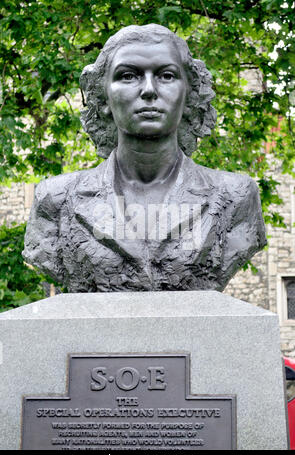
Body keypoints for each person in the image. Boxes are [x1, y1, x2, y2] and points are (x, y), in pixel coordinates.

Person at [23, 24, 266, 292]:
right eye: (128, 76)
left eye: (166, 76)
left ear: (189, 95)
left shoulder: (236, 197)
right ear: (103, 96)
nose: (149, 90)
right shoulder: (55, 200)